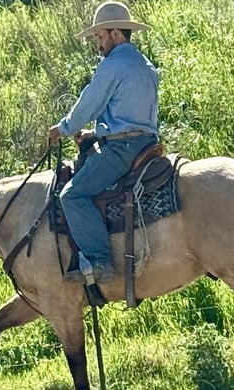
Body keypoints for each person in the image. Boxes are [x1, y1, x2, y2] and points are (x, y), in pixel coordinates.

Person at [49, 1, 159, 284]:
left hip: (123, 149)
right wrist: (97, 135)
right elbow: (130, 114)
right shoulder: (144, 65)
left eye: (99, 36)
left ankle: (100, 262)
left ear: (115, 33)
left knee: (72, 195)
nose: (97, 44)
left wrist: (63, 128)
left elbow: (89, 104)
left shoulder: (114, 64)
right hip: (146, 142)